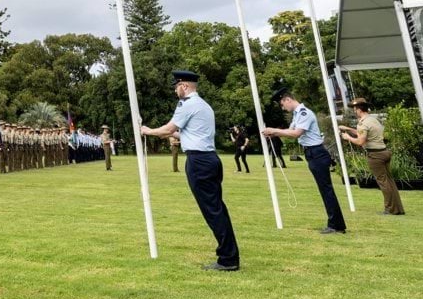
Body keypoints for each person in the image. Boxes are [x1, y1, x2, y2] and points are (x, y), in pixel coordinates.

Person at [141, 70, 240, 272]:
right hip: (210, 159)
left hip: (199, 161)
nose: (175, 91)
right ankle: (229, 255)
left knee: (213, 211)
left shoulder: (187, 104)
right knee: (217, 208)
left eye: (176, 87)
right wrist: (162, 133)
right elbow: (186, 131)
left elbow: (170, 129)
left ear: (184, 86)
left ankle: (228, 258)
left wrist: (148, 131)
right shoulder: (203, 105)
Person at [264, 87, 347, 235]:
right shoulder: (297, 115)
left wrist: (274, 131)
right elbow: (290, 132)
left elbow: (296, 133)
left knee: (326, 190)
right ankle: (336, 223)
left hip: (317, 153)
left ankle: (336, 225)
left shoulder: (304, 113)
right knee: (325, 190)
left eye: (282, 105)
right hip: (312, 154)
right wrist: (274, 134)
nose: (283, 108)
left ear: (287, 100)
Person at [339, 99, 405, 216]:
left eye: (355, 109)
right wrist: (349, 129)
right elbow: (363, 133)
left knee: (383, 183)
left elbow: (360, 141)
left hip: (375, 155)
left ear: (359, 109)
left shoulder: (363, 123)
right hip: (384, 152)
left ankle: (390, 209)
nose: (355, 112)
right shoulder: (373, 120)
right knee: (389, 181)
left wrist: (347, 137)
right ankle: (397, 208)